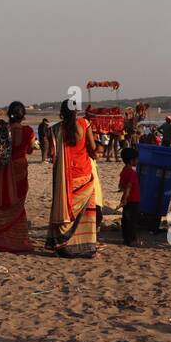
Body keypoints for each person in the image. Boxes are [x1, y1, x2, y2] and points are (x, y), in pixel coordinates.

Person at [46, 99, 99, 258]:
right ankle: (85, 246)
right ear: (76, 111)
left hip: (65, 178)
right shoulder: (84, 124)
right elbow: (93, 148)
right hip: (84, 174)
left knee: (65, 208)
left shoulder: (55, 130)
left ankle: (62, 244)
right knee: (85, 212)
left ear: (62, 112)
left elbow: (51, 154)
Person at [0, 101, 35, 252]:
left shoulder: (1, 129)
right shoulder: (28, 131)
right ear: (23, 116)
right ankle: (15, 238)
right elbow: (31, 149)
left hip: (2, 168)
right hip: (20, 169)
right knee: (18, 203)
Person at [117, 146, 142, 247]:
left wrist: (124, 199)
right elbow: (128, 187)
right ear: (131, 161)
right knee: (132, 221)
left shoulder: (124, 171)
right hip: (133, 200)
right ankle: (132, 240)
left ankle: (126, 239)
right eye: (136, 159)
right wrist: (125, 198)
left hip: (127, 201)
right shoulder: (132, 173)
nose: (137, 161)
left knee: (126, 220)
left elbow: (121, 186)